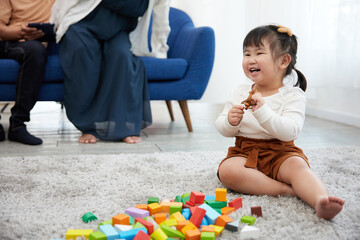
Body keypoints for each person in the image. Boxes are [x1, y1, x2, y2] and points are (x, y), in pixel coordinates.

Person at [215, 25, 344, 220]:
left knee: (298, 168)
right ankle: (287, 190)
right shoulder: (239, 92)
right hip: (244, 151)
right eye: (246, 53)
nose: (251, 59)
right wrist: (230, 122)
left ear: (284, 61)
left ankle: (319, 200)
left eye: (259, 53)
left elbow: (290, 131)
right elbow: (222, 126)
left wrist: (263, 112)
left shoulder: (293, 95)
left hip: (281, 151)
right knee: (227, 171)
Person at [50, 0, 170, 144]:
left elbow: (161, 15)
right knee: (82, 55)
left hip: (119, 29)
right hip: (82, 23)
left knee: (122, 57)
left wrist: (160, 49)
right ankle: (87, 128)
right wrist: (56, 21)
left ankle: (125, 128)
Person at [0, 0, 55, 145]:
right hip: (8, 39)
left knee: (36, 51)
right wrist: (20, 32)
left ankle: (17, 124)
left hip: (33, 45)